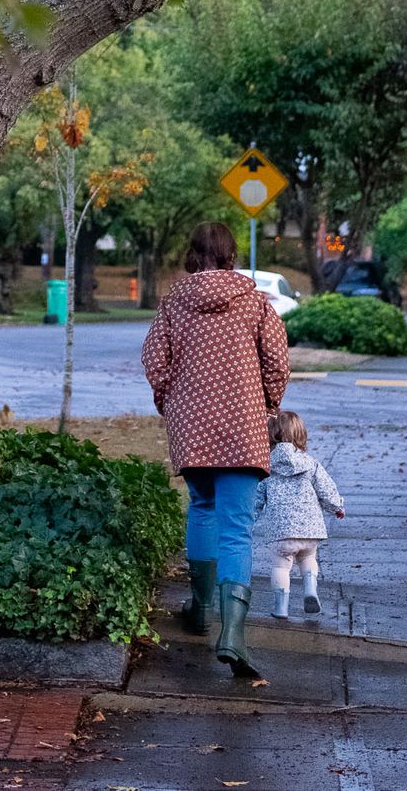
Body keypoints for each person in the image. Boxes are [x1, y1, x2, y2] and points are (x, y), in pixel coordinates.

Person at [140, 220, 290, 684]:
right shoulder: (256, 303)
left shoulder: (173, 304)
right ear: (230, 254)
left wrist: (172, 402)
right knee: (237, 531)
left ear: (193, 254)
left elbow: (154, 360)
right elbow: (278, 363)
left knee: (202, 507)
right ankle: (235, 635)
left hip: (193, 428)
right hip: (243, 427)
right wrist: (265, 404)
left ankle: (201, 608)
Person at [255, 409, 345, 620]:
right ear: (300, 436)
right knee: (308, 558)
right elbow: (327, 490)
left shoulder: (266, 467)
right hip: (310, 528)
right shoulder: (311, 464)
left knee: (281, 566)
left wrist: (248, 519)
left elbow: (256, 498)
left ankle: (281, 607)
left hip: (281, 532)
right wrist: (337, 507)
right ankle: (310, 590)